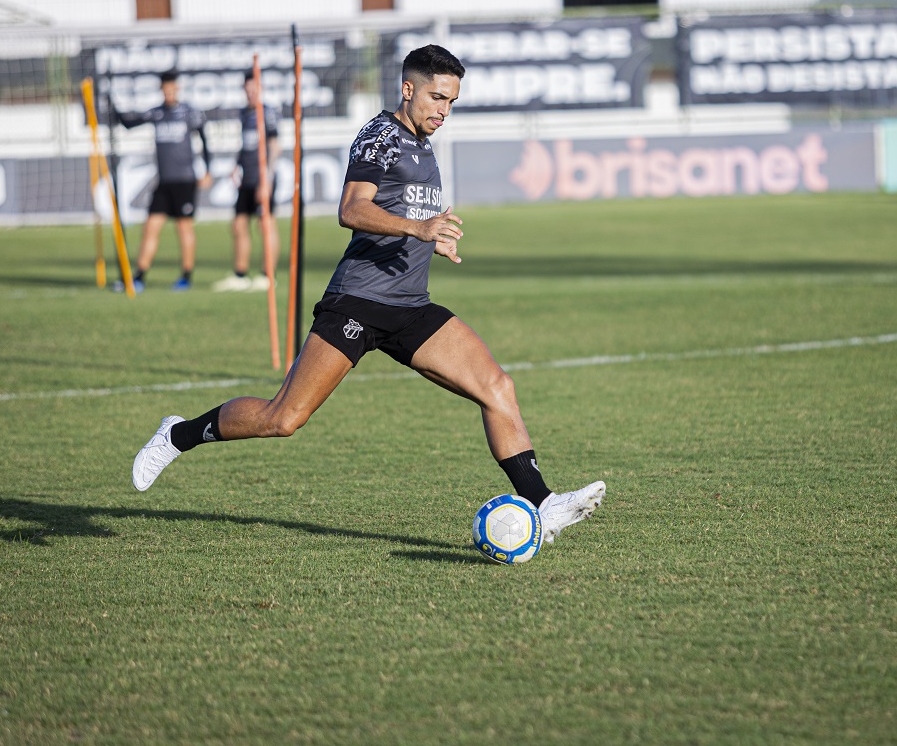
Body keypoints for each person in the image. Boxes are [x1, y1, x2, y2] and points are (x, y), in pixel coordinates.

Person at [131, 45, 605, 545]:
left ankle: (543, 503)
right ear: (408, 89)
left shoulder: (424, 145)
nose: (444, 110)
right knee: (284, 418)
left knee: (497, 387)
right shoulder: (380, 136)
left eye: (451, 101)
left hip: (410, 306)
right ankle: (178, 434)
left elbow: (405, 214)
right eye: (437, 97)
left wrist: (431, 240)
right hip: (357, 301)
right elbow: (352, 209)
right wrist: (419, 229)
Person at [113, 70, 212, 292]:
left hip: (184, 181)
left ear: (177, 88)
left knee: (184, 228)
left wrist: (208, 170)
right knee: (150, 227)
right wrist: (112, 105)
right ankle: (139, 276)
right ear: (161, 90)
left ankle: (186, 276)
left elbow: (204, 138)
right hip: (164, 182)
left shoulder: (189, 112)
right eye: (166, 89)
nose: (169, 93)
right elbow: (129, 123)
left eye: (172, 88)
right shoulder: (157, 113)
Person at [213, 70, 281, 292]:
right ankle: (240, 275)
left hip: (263, 178)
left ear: (261, 89)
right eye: (248, 89)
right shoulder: (244, 113)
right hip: (247, 178)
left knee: (265, 225)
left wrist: (267, 179)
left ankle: (267, 275)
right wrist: (237, 165)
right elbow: (247, 144)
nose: (251, 93)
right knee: (239, 224)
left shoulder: (267, 113)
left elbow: (274, 146)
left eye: (255, 88)